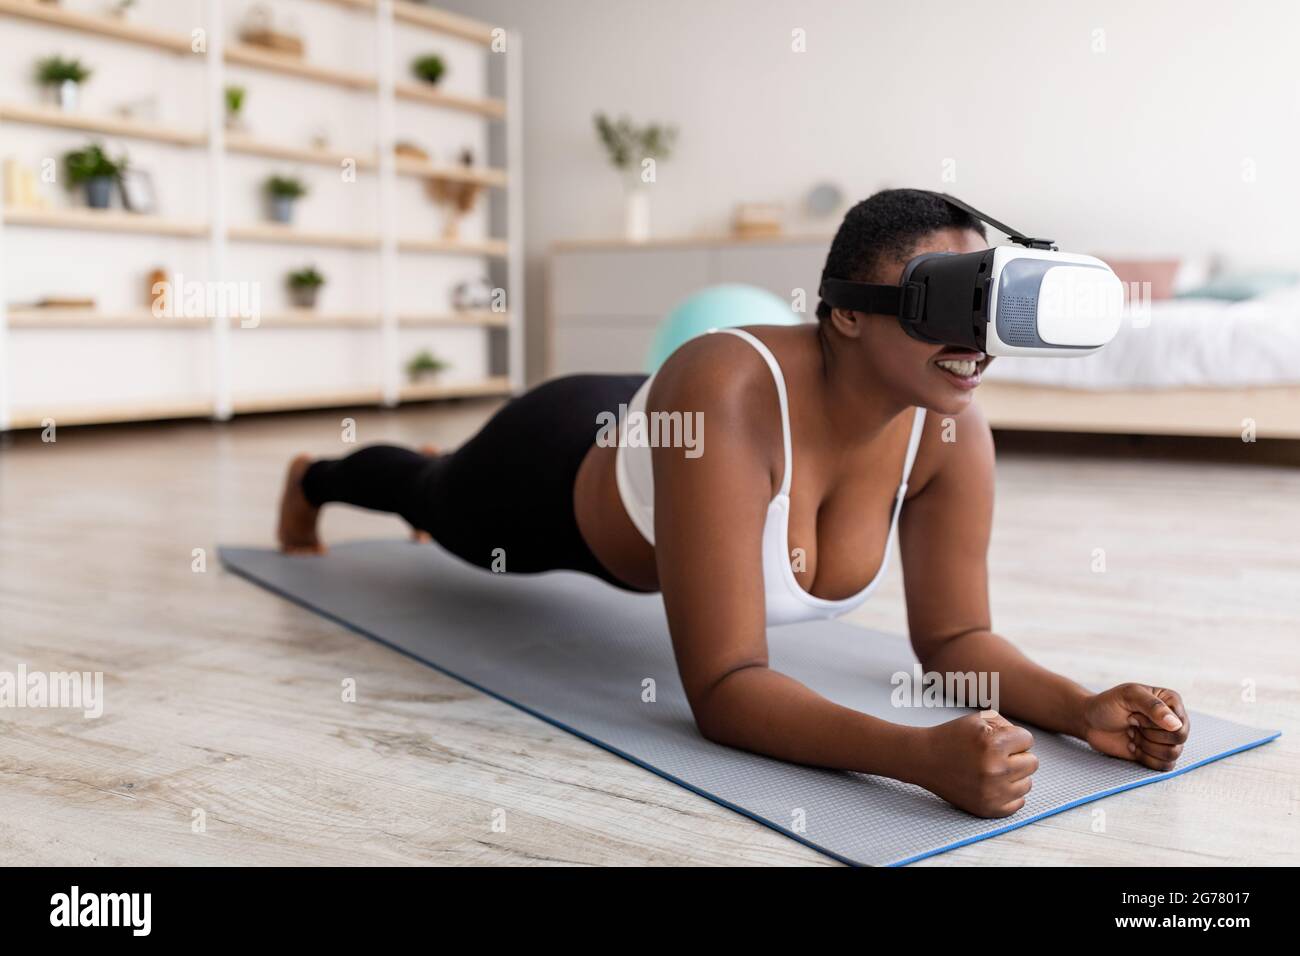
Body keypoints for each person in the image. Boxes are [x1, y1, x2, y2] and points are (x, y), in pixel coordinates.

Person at [278, 189, 1190, 817]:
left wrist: (1079, 708)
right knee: (440, 505)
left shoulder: (953, 431)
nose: (972, 343)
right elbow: (721, 688)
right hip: (554, 464)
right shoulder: (726, 386)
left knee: (448, 496)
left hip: (676, 436)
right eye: (939, 304)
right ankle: (318, 477)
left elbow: (953, 642)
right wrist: (917, 758)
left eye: (985, 308)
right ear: (845, 312)